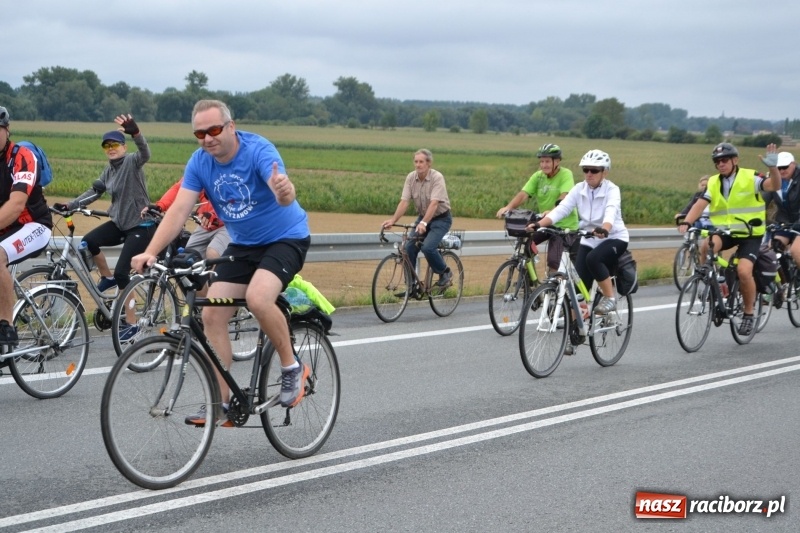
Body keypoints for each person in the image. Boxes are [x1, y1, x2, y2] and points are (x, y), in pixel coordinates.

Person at [131, 99, 311, 426]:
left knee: (258, 298)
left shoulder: (258, 151)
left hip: (285, 238)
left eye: (214, 130)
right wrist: (151, 252)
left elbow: (282, 191)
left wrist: (285, 192)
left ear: (231, 126)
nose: (207, 138)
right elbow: (179, 211)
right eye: (199, 133)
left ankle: (291, 367)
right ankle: (221, 402)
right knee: (212, 313)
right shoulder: (200, 163)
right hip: (243, 244)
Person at [528, 149, 629, 354]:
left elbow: (611, 209)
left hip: (614, 236)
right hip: (589, 237)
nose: (589, 174)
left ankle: (609, 298)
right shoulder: (579, 189)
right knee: (575, 286)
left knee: (594, 260)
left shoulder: (612, 190)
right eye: (586, 170)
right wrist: (539, 224)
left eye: (594, 170)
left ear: (604, 172)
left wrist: (606, 228)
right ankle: (575, 331)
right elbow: (562, 209)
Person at [678, 142, 782, 336]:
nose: (720, 164)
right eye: (717, 162)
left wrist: (773, 168)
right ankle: (708, 284)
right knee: (705, 247)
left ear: (735, 160)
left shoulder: (750, 177)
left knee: (743, 271)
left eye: (724, 160)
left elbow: (775, 185)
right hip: (727, 231)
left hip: (750, 234)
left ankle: (749, 314)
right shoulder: (714, 182)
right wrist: (687, 221)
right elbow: (700, 204)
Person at [53, 114, 154, 295]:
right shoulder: (109, 170)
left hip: (140, 225)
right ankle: (107, 278)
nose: (110, 148)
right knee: (89, 241)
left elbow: (146, 153)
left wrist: (136, 133)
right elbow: (95, 191)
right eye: (106, 146)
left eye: (114, 144)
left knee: (122, 274)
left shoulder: (132, 162)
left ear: (124, 147)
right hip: (120, 224)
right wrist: (70, 205)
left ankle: (129, 322)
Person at [0, 105, 53, 345]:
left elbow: (16, 205)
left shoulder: (21, 157)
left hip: (34, 225)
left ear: (7, 130)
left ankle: (6, 327)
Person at [496, 143, 579, 272]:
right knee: (526, 245)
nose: (544, 165)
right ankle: (528, 281)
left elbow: (565, 196)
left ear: (556, 161)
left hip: (564, 226)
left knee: (553, 261)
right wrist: (508, 207)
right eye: (541, 161)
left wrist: (551, 211)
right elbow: (524, 194)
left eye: (547, 161)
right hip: (545, 222)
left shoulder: (566, 174)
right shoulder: (538, 176)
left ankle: (552, 290)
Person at [142, 177, 231, 295]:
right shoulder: (200, 165)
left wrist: (213, 214)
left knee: (213, 253)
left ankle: (221, 297)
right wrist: (160, 206)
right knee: (187, 261)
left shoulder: (227, 168)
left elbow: (234, 199)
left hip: (228, 224)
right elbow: (180, 188)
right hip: (205, 225)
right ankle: (204, 304)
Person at [382, 148, 453, 293]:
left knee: (428, 247)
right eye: (416, 161)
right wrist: (393, 220)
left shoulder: (437, 177)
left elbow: (434, 204)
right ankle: (411, 286)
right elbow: (404, 202)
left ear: (428, 164)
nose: (418, 165)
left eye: (421, 162)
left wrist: (424, 223)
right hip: (423, 217)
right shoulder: (411, 178)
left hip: (441, 219)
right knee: (408, 248)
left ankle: (445, 272)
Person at [761, 151, 800, 269]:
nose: (782, 171)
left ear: (793, 164)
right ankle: (786, 282)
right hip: (785, 222)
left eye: (785, 167)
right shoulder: (775, 180)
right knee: (772, 250)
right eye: (779, 168)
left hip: (798, 222)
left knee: (796, 251)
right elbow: (762, 202)